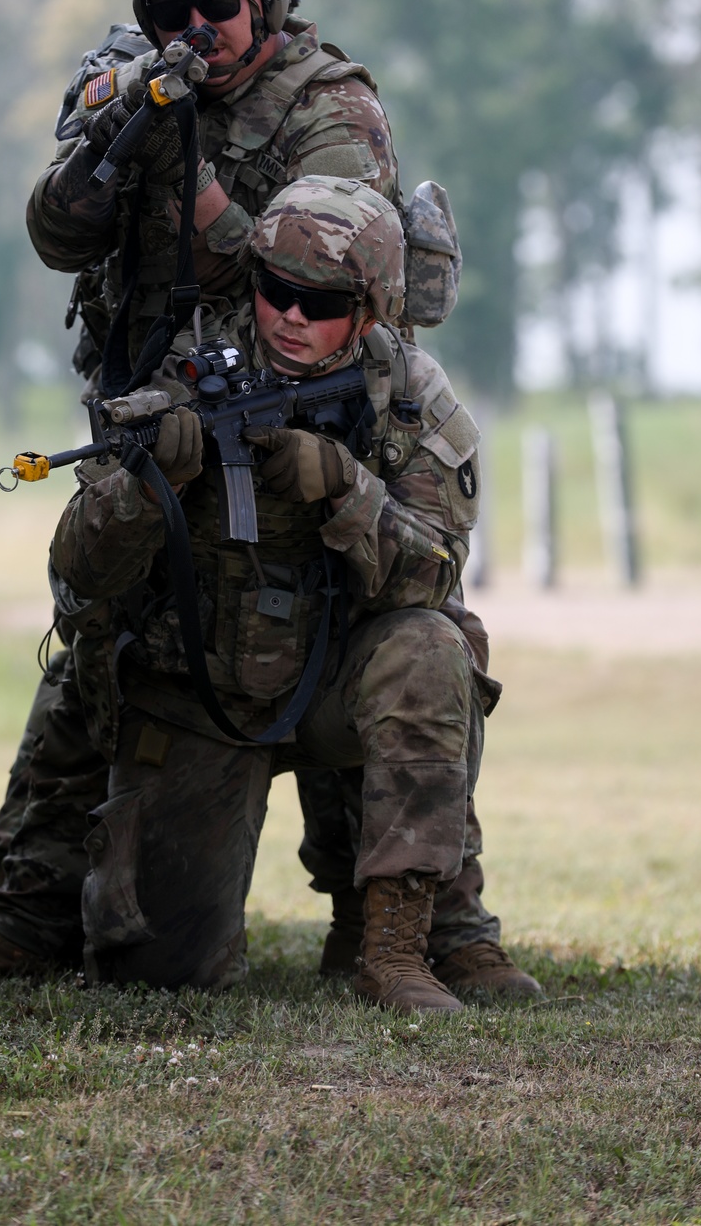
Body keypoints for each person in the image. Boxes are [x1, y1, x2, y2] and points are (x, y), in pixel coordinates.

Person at [0, 0, 537, 1002]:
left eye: (213, 10)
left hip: (311, 416)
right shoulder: (128, 82)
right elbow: (59, 234)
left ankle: (425, 926)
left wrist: (212, 213)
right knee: (103, 640)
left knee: (405, 638)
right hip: (169, 404)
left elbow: (327, 277)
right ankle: (29, 911)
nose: (189, 34)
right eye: (163, 16)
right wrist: (106, 134)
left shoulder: (326, 106)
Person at [49, 175, 516, 1010]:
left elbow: (436, 573)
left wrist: (345, 490)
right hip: (204, 694)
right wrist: (151, 488)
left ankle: (396, 949)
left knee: (432, 649)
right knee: (156, 975)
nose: (293, 316)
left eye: (323, 301)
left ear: (370, 311)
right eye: (277, 290)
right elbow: (77, 571)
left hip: (341, 679)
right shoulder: (185, 368)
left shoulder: (406, 396)